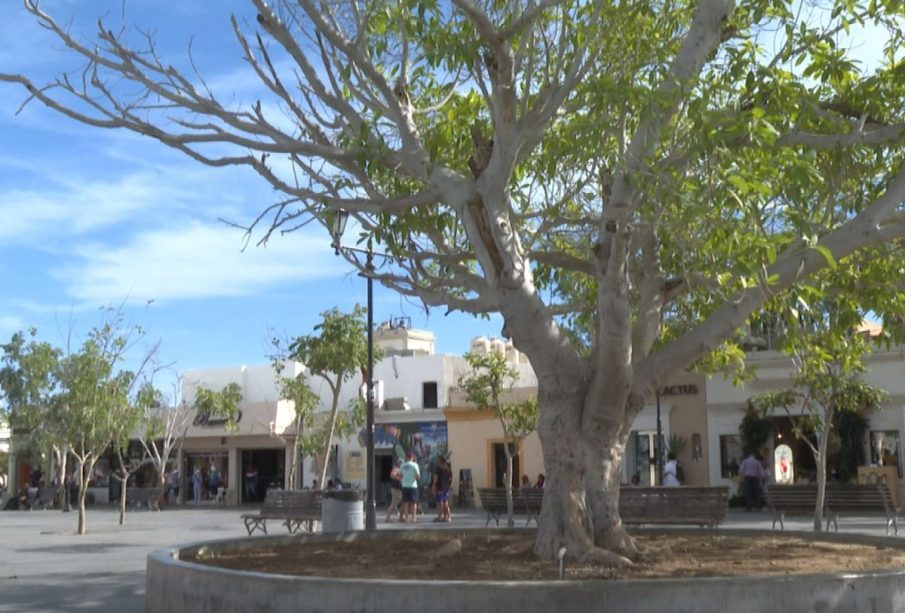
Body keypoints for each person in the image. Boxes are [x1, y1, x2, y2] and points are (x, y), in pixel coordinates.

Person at [399, 452, 421, 523]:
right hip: (413, 486)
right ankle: (414, 518)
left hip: (405, 485)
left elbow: (400, 476)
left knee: (406, 502)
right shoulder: (415, 465)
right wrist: (414, 478)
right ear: (412, 458)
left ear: (406, 457)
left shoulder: (402, 465)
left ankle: (406, 518)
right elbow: (418, 476)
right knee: (414, 502)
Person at [431, 455, 453, 523]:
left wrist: (433, 485)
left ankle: (440, 516)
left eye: (438, 459)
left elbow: (436, 477)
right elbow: (450, 478)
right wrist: (448, 485)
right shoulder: (447, 468)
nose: (437, 460)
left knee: (440, 502)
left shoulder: (438, 468)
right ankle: (447, 516)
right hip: (446, 487)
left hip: (440, 486)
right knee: (445, 502)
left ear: (440, 460)